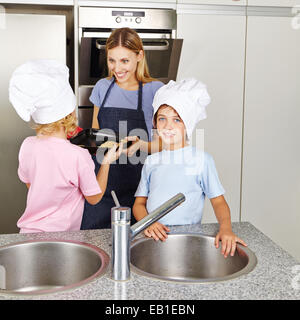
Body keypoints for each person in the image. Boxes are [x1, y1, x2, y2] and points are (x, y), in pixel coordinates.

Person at [133, 78, 247, 258]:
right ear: (154, 123)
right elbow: (139, 204)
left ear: (188, 125)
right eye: (162, 119)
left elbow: (218, 202)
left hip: (187, 239)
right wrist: (148, 223)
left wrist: (226, 229)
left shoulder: (201, 160)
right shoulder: (151, 162)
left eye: (177, 120)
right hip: (153, 239)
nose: (168, 126)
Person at [9, 59, 123, 233]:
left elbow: (31, 185)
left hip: (27, 234)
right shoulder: (77, 155)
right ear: (68, 115)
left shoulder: (27, 146)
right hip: (61, 238)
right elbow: (94, 197)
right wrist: (106, 162)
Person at [81, 27, 164, 230]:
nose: (117, 68)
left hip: (140, 192)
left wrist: (141, 145)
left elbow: (166, 144)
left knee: (136, 252)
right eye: (112, 60)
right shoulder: (102, 87)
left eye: (124, 61)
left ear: (139, 56)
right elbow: (95, 135)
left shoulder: (155, 91)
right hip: (102, 186)